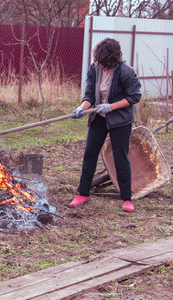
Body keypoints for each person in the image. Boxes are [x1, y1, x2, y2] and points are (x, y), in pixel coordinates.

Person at [70, 38, 141, 212]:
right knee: (90, 153)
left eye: (105, 62)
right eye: (99, 61)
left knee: (120, 157)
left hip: (120, 120)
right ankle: (83, 193)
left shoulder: (126, 71)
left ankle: (126, 198)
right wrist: (82, 107)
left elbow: (134, 97)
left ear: (113, 59)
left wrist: (111, 106)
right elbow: (89, 95)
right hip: (99, 117)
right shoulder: (94, 69)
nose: (102, 65)